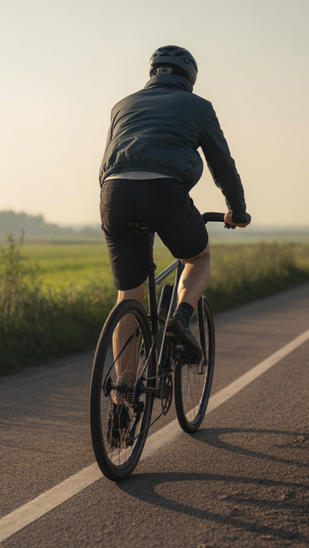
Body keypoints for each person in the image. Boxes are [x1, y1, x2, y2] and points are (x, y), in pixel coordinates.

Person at [99, 45, 249, 438]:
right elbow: (222, 165)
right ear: (190, 78)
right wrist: (238, 210)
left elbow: (106, 164)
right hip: (165, 192)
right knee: (197, 257)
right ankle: (180, 320)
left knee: (129, 298)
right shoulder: (199, 107)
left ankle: (122, 399)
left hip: (113, 194)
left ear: (151, 73)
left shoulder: (122, 105)